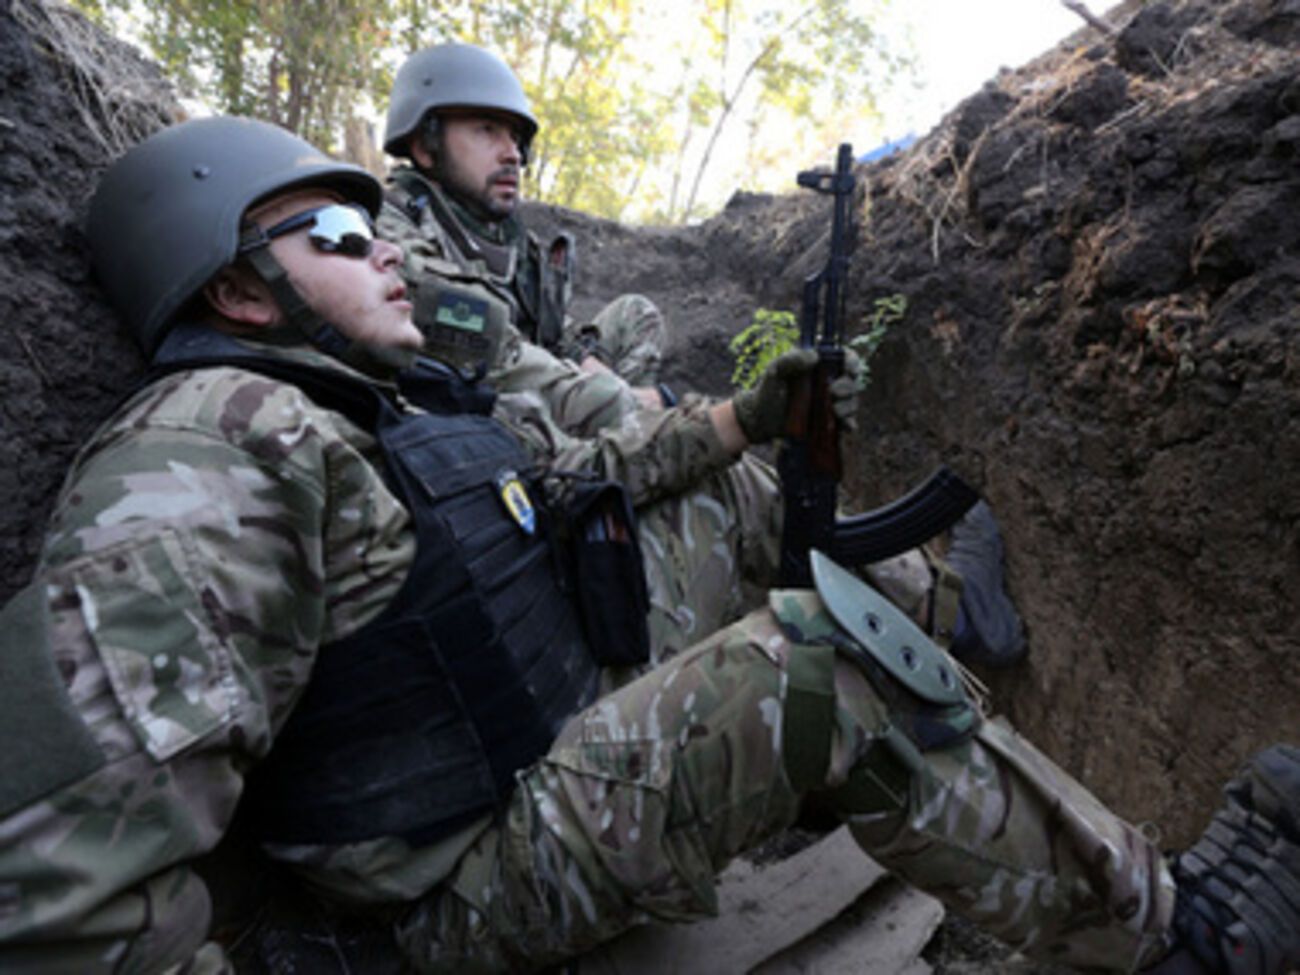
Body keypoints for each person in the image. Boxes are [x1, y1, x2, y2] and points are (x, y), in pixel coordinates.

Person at [0, 117, 1295, 975]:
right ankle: (1176, 937)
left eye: (380, 226)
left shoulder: (374, 405)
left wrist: (742, 420)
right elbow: (45, 888)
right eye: (338, 235)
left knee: (720, 500)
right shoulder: (208, 451)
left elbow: (570, 478)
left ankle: (947, 629)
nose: (387, 256)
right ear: (235, 289)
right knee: (810, 670)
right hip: (457, 881)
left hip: (542, 722)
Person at [378, 41, 673, 437]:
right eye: (488, 131)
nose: (512, 154)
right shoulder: (393, 229)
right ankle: (624, 444)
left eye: (515, 138)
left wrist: (585, 361)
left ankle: (622, 441)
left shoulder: (506, 236)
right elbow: (491, 348)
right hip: (469, 411)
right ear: (425, 147)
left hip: (538, 379)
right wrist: (623, 398)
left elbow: (552, 330)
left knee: (635, 314)